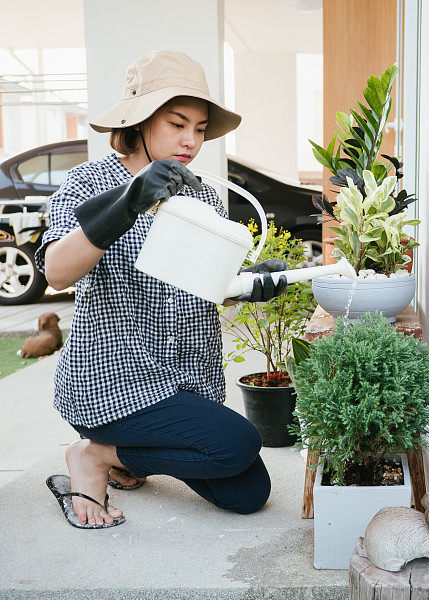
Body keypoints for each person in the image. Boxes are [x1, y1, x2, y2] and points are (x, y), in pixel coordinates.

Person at [37, 50, 287, 529]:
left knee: (248, 491)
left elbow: (199, 285)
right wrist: (131, 199)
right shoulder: (87, 182)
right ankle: (91, 455)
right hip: (113, 384)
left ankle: (123, 459)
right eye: (177, 124)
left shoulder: (200, 194)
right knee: (237, 443)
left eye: (198, 128)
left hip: (183, 381)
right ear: (142, 120)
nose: (190, 141)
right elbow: (57, 272)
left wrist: (246, 286)